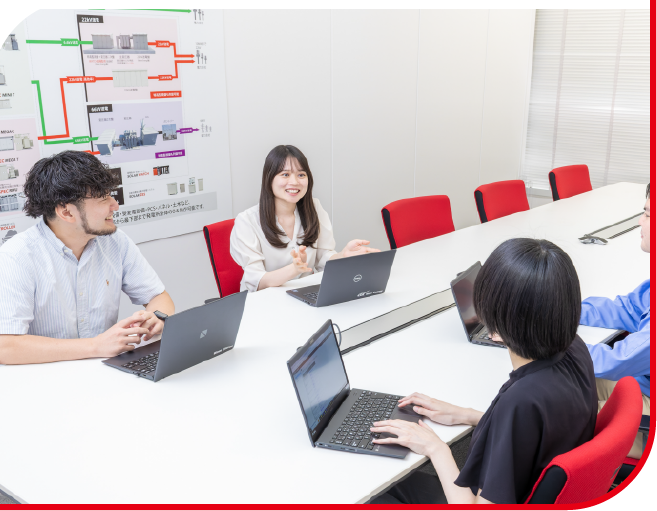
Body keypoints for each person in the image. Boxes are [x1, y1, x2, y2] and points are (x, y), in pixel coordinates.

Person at [370, 239, 597, 504]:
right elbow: (540, 427)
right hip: (550, 488)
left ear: (495, 327)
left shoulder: (521, 399)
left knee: (382, 492)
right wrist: (467, 415)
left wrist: (436, 448)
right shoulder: (575, 349)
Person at [0, 151, 174, 365]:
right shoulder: (15, 257)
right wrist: (95, 346)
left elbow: (158, 297)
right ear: (67, 213)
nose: (115, 205)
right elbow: (3, 347)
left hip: (103, 370)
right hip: (41, 376)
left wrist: (156, 317)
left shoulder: (115, 241)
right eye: (103, 199)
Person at [230, 145, 380, 292]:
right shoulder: (247, 221)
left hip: (304, 294)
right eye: (285, 174)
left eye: (301, 175)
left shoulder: (314, 208)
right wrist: (294, 269)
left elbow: (323, 258)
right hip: (263, 300)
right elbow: (256, 282)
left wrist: (343, 255)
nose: (295, 182)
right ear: (269, 179)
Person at [580, 183, 650, 459]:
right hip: (643, 385)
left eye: (647, 214)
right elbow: (627, 310)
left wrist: (544, 340)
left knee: (554, 414)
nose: (639, 221)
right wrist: (559, 310)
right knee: (557, 383)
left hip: (649, 416)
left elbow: (616, 360)